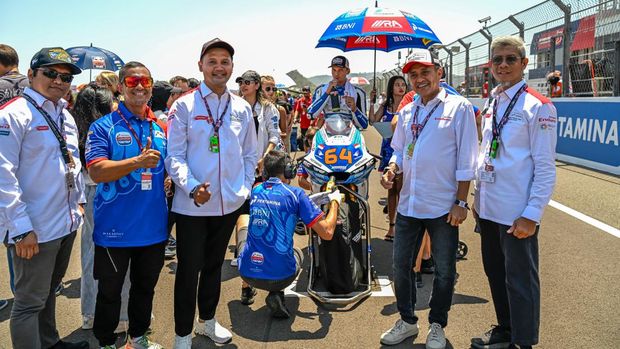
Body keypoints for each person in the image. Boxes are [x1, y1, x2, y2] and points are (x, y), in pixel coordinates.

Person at [379, 48, 478, 349]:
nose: (419, 79)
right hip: (409, 204)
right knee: (401, 267)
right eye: (413, 74)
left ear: (439, 73)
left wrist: (461, 202)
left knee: (446, 270)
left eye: (425, 72)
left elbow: (467, 159)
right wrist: (392, 169)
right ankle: (408, 321)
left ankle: (437, 324)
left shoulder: (460, 108)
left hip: (443, 206)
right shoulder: (408, 111)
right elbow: (399, 149)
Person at [165, 38, 258, 348]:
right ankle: (182, 334)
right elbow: (174, 156)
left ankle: (207, 322)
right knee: (188, 271)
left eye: (225, 61)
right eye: (212, 61)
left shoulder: (242, 107)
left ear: (232, 67)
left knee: (214, 267)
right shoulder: (184, 105)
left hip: (228, 204)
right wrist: (192, 187)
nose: (219, 66)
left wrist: (243, 189)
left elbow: (249, 155)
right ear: (201, 66)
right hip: (193, 206)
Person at [470, 36, 557, 349]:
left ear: (524, 63)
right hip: (488, 208)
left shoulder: (539, 106)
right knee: (496, 275)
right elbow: (486, 153)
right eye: (497, 60)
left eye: (510, 59)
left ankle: (523, 341)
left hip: (517, 213)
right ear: (491, 66)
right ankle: (505, 331)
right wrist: (477, 199)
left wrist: (532, 215)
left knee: (521, 282)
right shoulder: (492, 101)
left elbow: (546, 168)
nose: (503, 65)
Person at [0, 47, 88, 349]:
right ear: (31, 74)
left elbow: (71, 163)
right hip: (33, 228)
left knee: (49, 290)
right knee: (27, 304)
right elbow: (2, 176)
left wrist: (79, 202)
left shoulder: (63, 114)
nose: (58, 80)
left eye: (65, 76)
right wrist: (21, 228)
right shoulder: (14, 114)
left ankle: (50, 343)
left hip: (64, 222)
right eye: (50, 73)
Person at [86, 61, 168, 349]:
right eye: (133, 82)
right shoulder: (103, 126)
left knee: (145, 290)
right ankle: (106, 342)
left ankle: (138, 337)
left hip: (154, 229)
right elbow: (96, 171)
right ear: (120, 87)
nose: (140, 88)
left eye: (146, 82)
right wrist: (138, 162)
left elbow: (170, 167)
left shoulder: (160, 127)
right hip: (114, 230)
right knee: (109, 292)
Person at [237, 150, 340, 318]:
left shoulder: (256, 190)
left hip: (248, 272)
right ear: (288, 172)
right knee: (298, 253)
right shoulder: (296, 194)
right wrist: (335, 201)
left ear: (265, 172)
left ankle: (246, 289)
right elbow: (327, 232)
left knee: (243, 219)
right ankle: (276, 293)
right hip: (281, 276)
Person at [73, 83, 132, 332]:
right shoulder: (108, 130)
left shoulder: (71, 127)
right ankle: (120, 316)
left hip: (85, 192)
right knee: (118, 256)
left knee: (89, 253)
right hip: (109, 192)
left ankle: (89, 313)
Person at [233, 70, 282, 303]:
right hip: (240, 173)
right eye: (241, 82)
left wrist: (265, 157)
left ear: (257, 85)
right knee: (244, 222)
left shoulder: (269, 109)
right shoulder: (232, 106)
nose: (244, 85)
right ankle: (246, 283)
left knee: (268, 221)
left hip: (263, 172)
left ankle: (275, 281)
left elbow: (275, 135)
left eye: (248, 82)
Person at [369, 76, 407, 241]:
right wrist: (372, 102)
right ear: (392, 88)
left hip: (406, 150)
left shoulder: (411, 104)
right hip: (388, 149)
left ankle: (404, 225)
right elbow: (373, 121)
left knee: (403, 189)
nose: (401, 87)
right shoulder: (386, 106)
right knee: (391, 189)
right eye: (397, 85)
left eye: (403, 84)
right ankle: (392, 226)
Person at [308, 56, 368, 130]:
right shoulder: (321, 90)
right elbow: (310, 115)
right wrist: (327, 93)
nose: (336, 74)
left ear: (347, 71)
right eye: (334, 70)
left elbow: (364, 125)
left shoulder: (358, 92)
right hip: (328, 134)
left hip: (349, 135)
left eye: (340, 70)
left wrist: (354, 109)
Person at [261, 75, 289, 150]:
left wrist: (272, 133)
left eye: (274, 89)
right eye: (268, 89)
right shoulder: (253, 108)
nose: (271, 92)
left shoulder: (280, 109)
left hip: (274, 150)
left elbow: (284, 134)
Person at [292, 86, 312, 151]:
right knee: (305, 140)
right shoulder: (300, 101)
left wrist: (307, 110)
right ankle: (306, 154)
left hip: (312, 124)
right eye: (304, 92)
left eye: (307, 92)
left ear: (309, 92)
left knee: (311, 140)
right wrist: (295, 118)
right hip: (303, 124)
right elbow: (297, 110)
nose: (305, 93)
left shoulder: (313, 100)